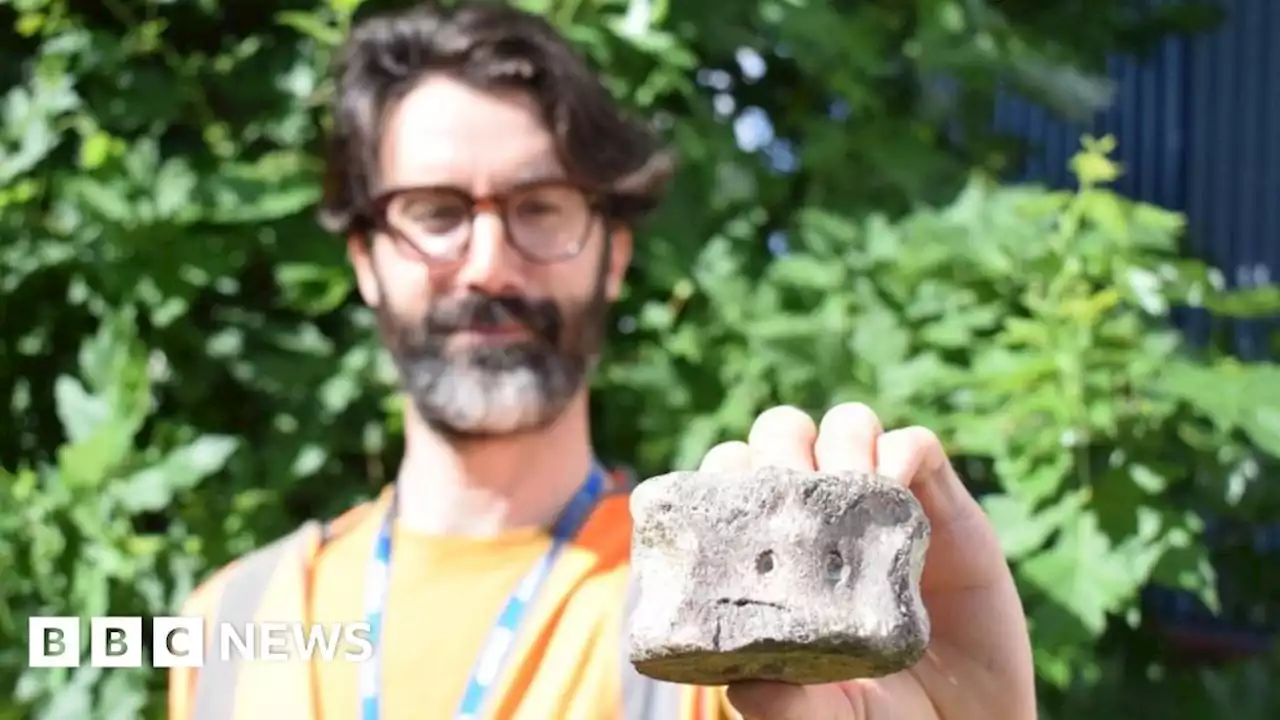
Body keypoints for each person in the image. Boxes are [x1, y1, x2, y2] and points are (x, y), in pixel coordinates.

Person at [166, 2, 1036, 718]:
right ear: (364, 257)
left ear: (613, 253)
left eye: (540, 207)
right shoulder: (229, 625)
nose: (487, 263)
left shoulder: (730, 626)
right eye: (434, 211)